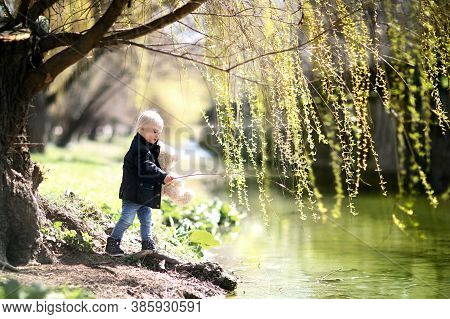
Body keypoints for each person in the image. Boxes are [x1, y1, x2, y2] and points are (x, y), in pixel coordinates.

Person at [105, 110, 174, 256]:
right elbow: (146, 167)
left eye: (159, 133)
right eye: (154, 131)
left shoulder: (148, 147)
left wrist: (165, 173)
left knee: (146, 220)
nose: (157, 136)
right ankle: (113, 242)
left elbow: (154, 163)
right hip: (133, 193)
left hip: (144, 194)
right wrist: (162, 176)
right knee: (126, 219)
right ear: (141, 128)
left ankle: (147, 244)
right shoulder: (138, 148)